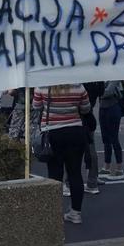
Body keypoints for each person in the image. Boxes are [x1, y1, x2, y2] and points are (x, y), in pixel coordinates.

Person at [33, 84, 91, 224]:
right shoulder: (78, 86)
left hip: (52, 133)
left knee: (54, 175)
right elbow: (86, 108)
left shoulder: (43, 86)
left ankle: (54, 213)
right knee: (75, 173)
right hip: (75, 132)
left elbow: (36, 106)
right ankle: (76, 213)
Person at [97, 80, 124, 180]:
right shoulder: (100, 76)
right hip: (102, 108)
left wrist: (97, 92)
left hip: (113, 108)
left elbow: (109, 91)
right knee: (105, 139)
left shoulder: (114, 76)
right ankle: (106, 167)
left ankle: (119, 169)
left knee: (114, 138)